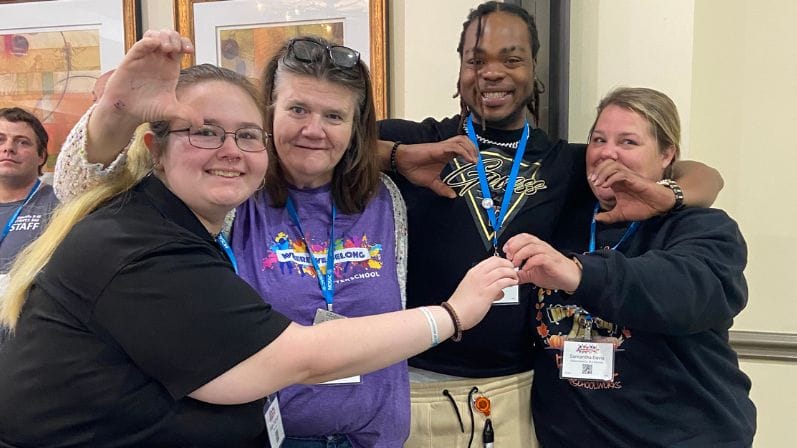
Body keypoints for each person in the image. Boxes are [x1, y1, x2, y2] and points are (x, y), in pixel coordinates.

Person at [0, 31, 520, 448]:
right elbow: (85, 190)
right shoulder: (229, 192)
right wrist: (117, 110)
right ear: (268, 115)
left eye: (334, 116)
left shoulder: (383, 197)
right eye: (297, 110)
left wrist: (392, 156)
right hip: (270, 434)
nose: (315, 129)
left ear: (357, 127)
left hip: (375, 436)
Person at [377, 2, 724, 446]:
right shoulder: (420, 141)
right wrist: (396, 158)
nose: (492, 72)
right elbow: (327, 146)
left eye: (512, 58)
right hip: (416, 386)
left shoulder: (567, 162)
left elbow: (705, 177)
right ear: (460, 66)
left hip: (519, 395)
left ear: (533, 67)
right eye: (475, 59)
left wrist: (667, 194)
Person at [503, 87, 756, 447]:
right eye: (598, 139)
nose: (608, 152)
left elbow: (682, 292)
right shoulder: (561, 216)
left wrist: (579, 274)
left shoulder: (703, 227)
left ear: (667, 154)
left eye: (629, 142)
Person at [0, 107, 59, 347]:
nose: (8, 148)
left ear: (41, 156)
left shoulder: (60, 205)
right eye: (0, 140)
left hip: (29, 344)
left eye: (22, 142)